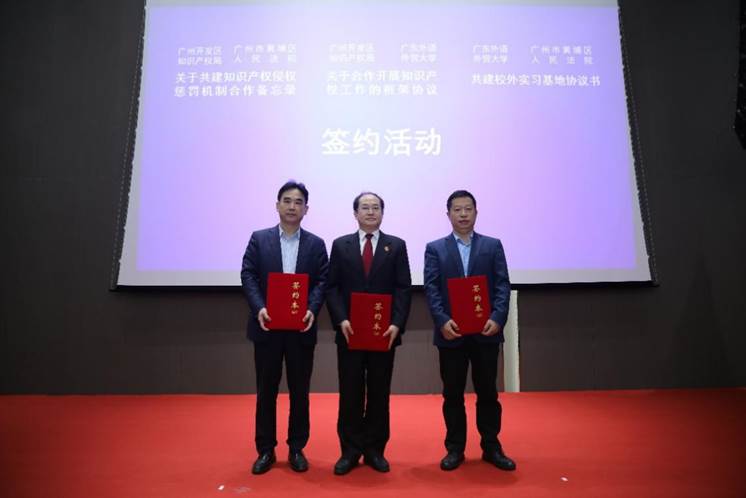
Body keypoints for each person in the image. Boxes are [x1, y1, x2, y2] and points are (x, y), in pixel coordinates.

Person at [423, 190, 516, 472]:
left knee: (488, 392)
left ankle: (491, 446)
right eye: (457, 209)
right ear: (448, 214)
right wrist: (442, 321)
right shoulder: (435, 248)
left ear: (476, 212)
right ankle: (455, 449)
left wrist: (498, 318)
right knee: (452, 394)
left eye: (468, 209)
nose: (463, 214)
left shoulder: (492, 245)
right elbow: (431, 288)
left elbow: (502, 285)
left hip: (486, 332)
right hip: (451, 333)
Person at [240, 180, 329, 474]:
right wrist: (259, 308)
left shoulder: (316, 244)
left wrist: (311, 309)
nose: (292, 206)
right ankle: (266, 449)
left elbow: (322, 281)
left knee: (299, 391)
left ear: (306, 209)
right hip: (267, 326)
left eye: (298, 202)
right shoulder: (259, 239)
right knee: (266, 390)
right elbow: (248, 275)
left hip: (301, 328)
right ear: (277, 205)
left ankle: (296, 448)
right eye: (287, 201)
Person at [326, 192, 412, 475]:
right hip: (349, 333)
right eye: (365, 207)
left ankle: (375, 449)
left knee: (378, 392)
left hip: (383, 333)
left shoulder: (396, 246)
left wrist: (397, 323)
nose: (371, 212)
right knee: (350, 392)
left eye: (376, 208)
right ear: (355, 213)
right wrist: (341, 319)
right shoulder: (340, 245)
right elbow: (332, 287)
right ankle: (350, 451)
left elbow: (403, 288)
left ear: (382, 213)